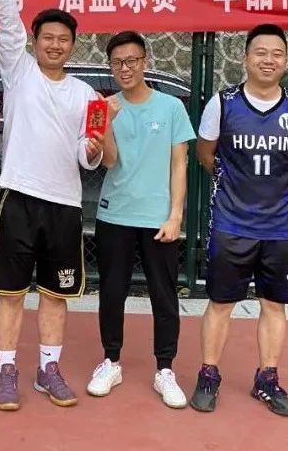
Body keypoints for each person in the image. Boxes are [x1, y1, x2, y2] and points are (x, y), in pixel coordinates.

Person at [0, 0, 104, 411]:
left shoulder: (87, 96)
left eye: (63, 39)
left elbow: (86, 156)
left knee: (55, 295)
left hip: (64, 206)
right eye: (47, 38)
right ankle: (6, 370)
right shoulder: (19, 72)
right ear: (34, 42)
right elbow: (8, 23)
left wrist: (92, 149)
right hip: (19, 197)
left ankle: (48, 369)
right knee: (11, 293)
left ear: (73, 45)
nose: (55, 45)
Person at [189, 23, 288, 418]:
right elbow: (205, 154)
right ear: (245, 58)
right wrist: (234, 186)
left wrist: (281, 188)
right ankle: (208, 375)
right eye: (260, 52)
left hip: (281, 227)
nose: (268, 60)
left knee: (275, 304)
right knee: (220, 303)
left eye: (277, 53)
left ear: (286, 61)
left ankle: (267, 378)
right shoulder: (223, 104)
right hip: (231, 223)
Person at [84, 31, 195, 408]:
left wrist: (175, 215)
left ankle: (165, 369)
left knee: (164, 295)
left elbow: (179, 165)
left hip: (158, 218)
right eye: (117, 63)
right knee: (112, 291)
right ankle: (110, 361)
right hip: (114, 213)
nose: (125, 68)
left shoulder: (171, 107)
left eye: (132, 60)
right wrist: (107, 123)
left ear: (145, 62)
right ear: (110, 67)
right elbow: (109, 161)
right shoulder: (103, 107)